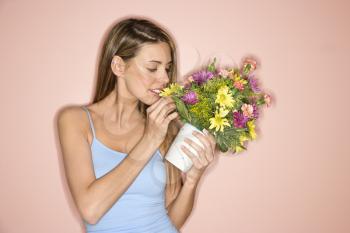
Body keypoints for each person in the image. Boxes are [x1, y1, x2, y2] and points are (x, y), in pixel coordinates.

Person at [57, 17, 218, 233]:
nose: (164, 79)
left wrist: (193, 179)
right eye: (153, 68)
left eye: (167, 68)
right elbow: (91, 210)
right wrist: (150, 140)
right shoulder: (75, 120)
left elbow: (173, 221)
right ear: (118, 66)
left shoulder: (166, 127)